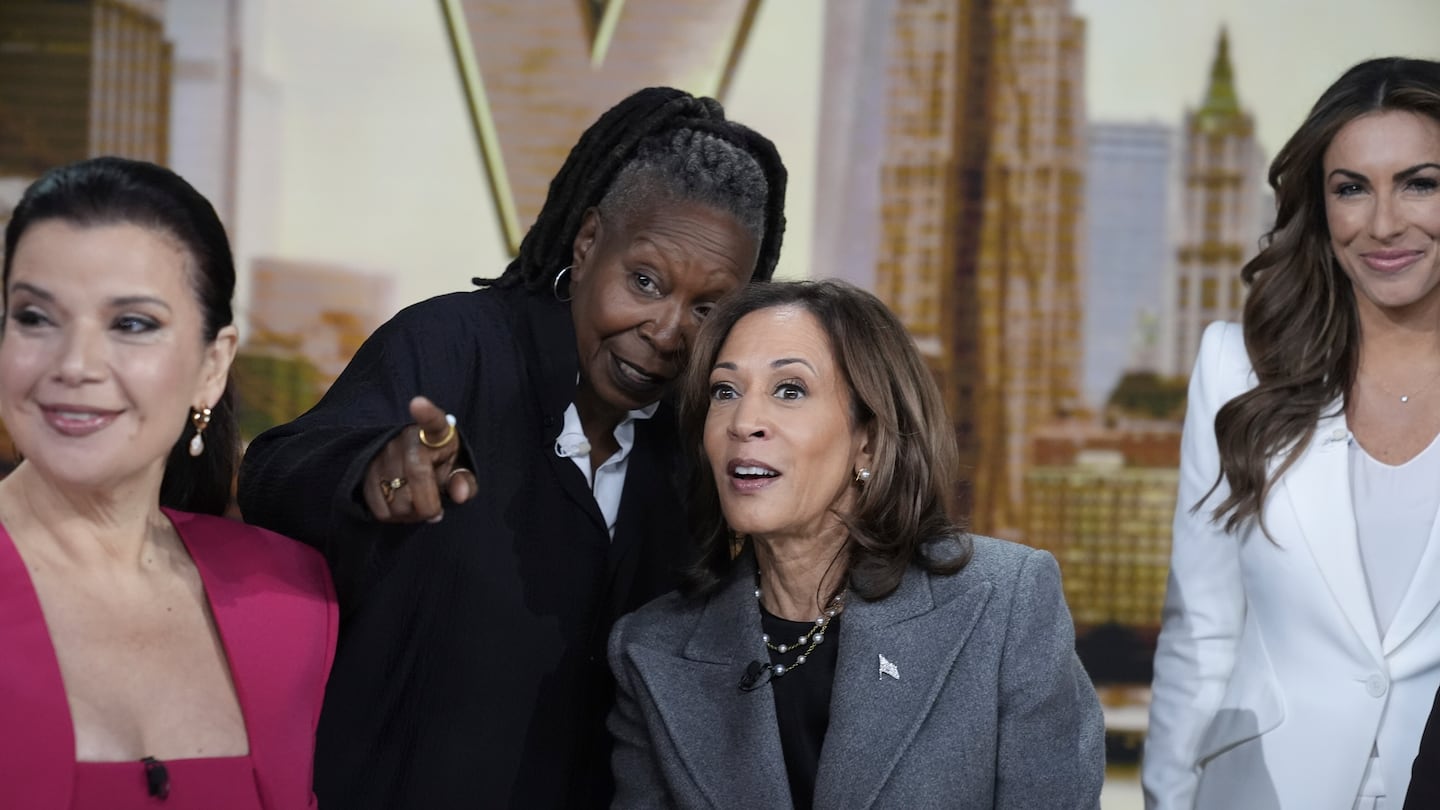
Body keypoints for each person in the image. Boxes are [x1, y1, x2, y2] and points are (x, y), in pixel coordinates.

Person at [236, 86, 787, 808]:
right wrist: (372, 470)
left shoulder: (693, 451)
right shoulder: (454, 346)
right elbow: (275, 475)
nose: (666, 330)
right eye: (645, 281)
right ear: (589, 243)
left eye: (708, 309)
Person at [607, 280, 1106, 808]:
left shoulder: (1004, 606)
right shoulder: (650, 650)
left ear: (868, 438)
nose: (743, 423)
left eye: (790, 390)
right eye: (724, 392)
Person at [1144, 57, 1440, 810]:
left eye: (1421, 183)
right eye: (1351, 188)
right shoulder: (1235, 365)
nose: (1383, 224)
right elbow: (1201, 632)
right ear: (1320, 202)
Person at [0, 157, 336, 809]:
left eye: (131, 324)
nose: (74, 365)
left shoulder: (294, 602)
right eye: (35, 317)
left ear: (213, 365)